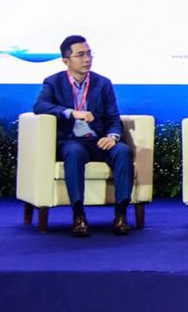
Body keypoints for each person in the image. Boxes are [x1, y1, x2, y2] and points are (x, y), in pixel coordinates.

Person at [33, 35, 132, 237]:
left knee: (122, 151)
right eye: (80, 55)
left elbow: (113, 117)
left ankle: (121, 214)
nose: (87, 59)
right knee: (75, 153)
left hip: (98, 140)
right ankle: (78, 215)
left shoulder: (102, 83)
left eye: (89, 54)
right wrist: (72, 113)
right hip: (71, 140)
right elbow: (40, 106)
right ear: (66, 60)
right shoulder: (53, 82)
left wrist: (112, 136)